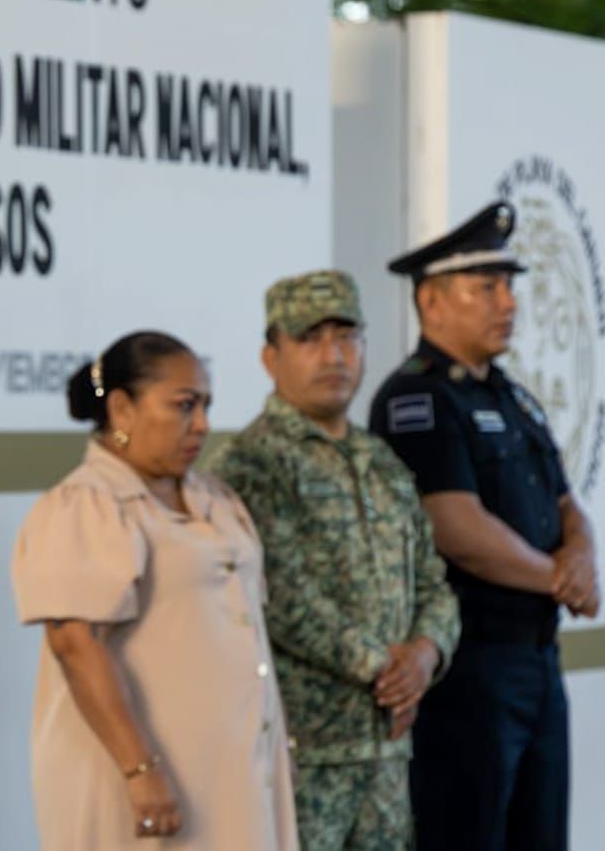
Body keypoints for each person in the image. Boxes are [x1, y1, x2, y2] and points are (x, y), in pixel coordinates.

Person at [11, 330, 299, 849]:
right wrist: (140, 769)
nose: (202, 424)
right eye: (184, 405)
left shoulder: (214, 498)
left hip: (229, 771)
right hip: (146, 777)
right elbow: (75, 645)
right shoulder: (87, 504)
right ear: (122, 408)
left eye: (206, 406)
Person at [369, 201, 599, 851]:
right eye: (487, 288)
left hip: (537, 660)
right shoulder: (416, 397)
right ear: (432, 302)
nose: (508, 303)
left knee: (541, 836)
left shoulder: (511, 396)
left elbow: (565, 503)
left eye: (508, 287)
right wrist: (559, 578)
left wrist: (582, 554)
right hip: (470, 669)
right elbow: (456, 528)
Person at [207, 270, 459, 850]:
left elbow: (433, 581)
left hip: (386, 758)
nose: (333, 356)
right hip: (302, 757)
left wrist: (427, 653)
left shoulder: (381, 461)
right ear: (270, 357)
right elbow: (277, 596)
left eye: (347, 337)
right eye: (310, 339)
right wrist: (385, 669)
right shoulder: (250, 464)